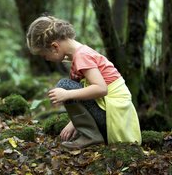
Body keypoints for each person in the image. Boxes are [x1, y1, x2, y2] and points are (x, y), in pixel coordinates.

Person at [26, 15, 141, 149]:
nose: (46, 59)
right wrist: (73, 122)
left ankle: (91, 136)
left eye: (44, 55)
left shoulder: (82, 56)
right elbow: (88, 97)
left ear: (55, 47)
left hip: (114, 120)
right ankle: (88, 133)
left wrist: (67, 95)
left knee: (64, 86)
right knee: (68, 86)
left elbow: (101, 89)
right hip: (111, 115)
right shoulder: (79, 54)